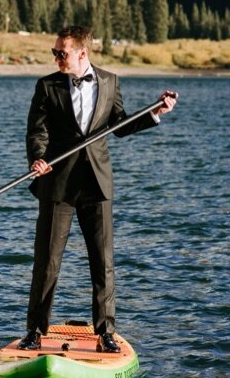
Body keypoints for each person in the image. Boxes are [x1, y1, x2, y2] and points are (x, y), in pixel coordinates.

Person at [20, 25, 177, 353]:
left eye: (61, 53)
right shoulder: (46, 86)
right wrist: (37, 158)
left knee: (102, 262)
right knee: (47, 262)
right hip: (57, 184)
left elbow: (120, 125)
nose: (56, 58)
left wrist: (156, 113)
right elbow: (37, 132)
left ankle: (105, 333)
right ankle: (35, 332)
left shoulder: (110, 81)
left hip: (97, 185)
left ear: (82, 53)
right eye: (54, 53)